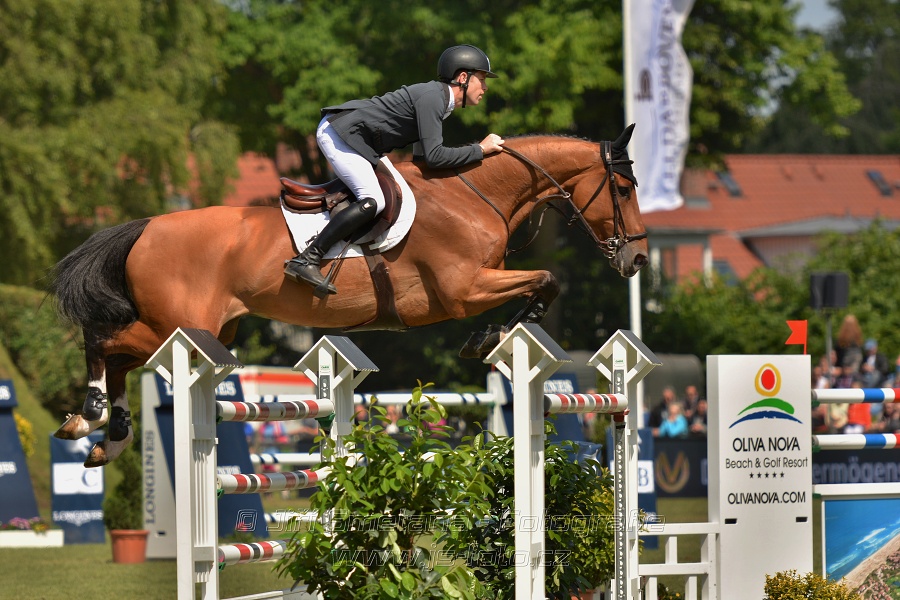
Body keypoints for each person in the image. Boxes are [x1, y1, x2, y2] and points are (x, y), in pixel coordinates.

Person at [284, 44, 505, 295]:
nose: (485, 88)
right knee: (373, 200)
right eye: (482, 79)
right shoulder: (434, 98)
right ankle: (307, 259)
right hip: (340, 134)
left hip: (358, 140)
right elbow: (434, 157)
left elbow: (422, 158)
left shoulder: (440, 100)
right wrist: (480, 150)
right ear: (463, 78)